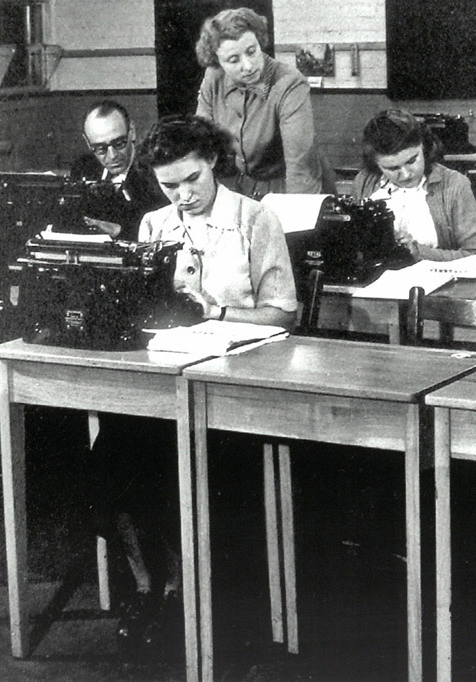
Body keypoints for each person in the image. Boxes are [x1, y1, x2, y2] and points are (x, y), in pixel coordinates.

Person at [90, 115, 296, 658]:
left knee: (167, 468)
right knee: (106, 463)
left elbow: (284, 314)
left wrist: (217, 310)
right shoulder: (153, 226)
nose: (182, 196)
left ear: (214, 165)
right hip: (166, 380)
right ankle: (145, 584)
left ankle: (183, 589)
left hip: (237, 387)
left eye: (191, 181)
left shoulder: (256, 219)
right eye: (168, 185)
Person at [194, 6, 329, 197]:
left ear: (260, 41)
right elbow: (200, 144)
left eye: (251, 51)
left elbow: (300, 166)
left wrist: (299, 217)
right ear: (217, 61)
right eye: (233, 60)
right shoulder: (213, 79)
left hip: (286, 188)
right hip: (239, 187)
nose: (248, 66)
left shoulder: (289, 83)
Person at [351, 109, 476, 265]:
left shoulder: (455, 185)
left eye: (411, 161)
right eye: (392, 168)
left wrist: (418, 252)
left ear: (424, 147)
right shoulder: (364, 182)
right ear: (375, 164)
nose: (405, 175)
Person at [70, 100, 168, 239]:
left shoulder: (155, 172)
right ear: (87, 142)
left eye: (119, 143)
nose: (112, 156)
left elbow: (162, 232)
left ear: (132, 132)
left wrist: (119, 231)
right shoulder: (83, 167)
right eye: (100, 148)